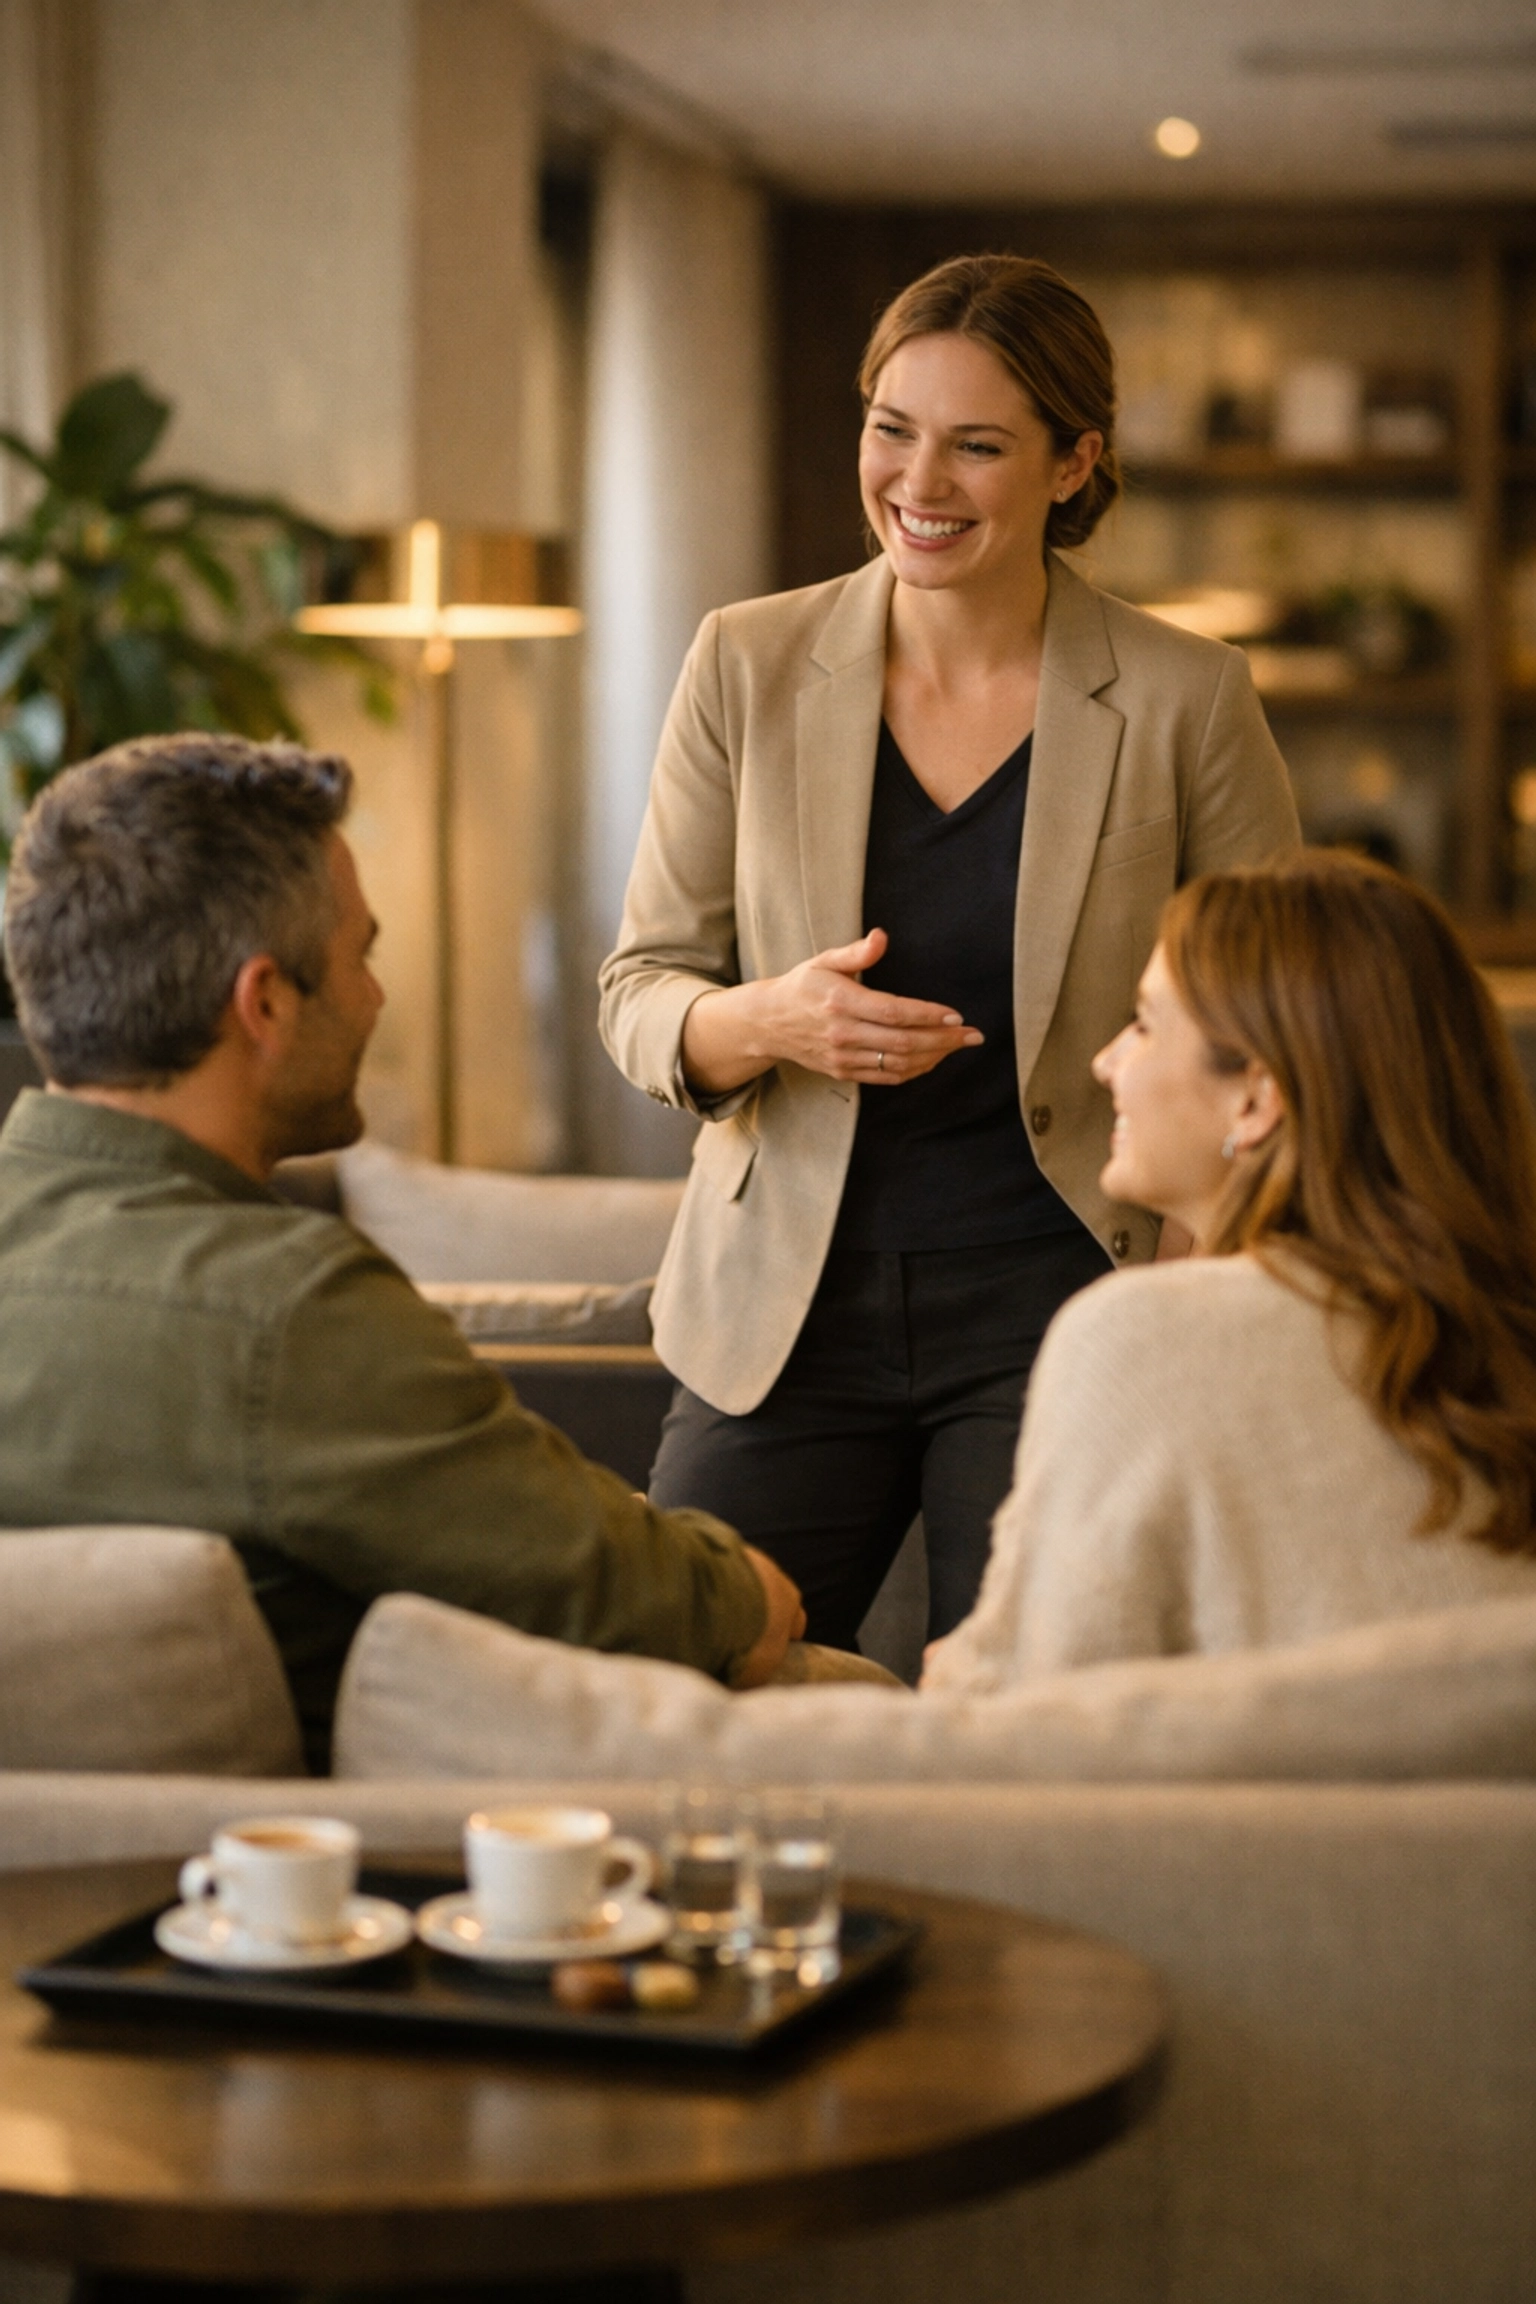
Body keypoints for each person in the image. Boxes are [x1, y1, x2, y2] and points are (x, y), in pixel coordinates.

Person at [600, 251, 1300, 1652]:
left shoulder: (1183, 696)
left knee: (1025, 1729)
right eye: (891, 429)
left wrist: (1186, 1257)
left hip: (1066, 1296)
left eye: (978, 445)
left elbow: (1288, 1010)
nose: (919, 482)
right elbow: (643, 989)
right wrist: (769, 1023)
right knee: (677, 1688)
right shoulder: (744, 661)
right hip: (783, 1304)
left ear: (1071, 463)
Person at [0, 734, 804, 1768]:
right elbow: (637, 1604)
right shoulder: (294, 1312)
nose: (375, 999)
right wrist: (744, 1585)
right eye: (360, 957)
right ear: (266, 1003)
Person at [923, 850, 1536, 1694]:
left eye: (1142, 1023)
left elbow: (1025, 1711)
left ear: (1255, 1101)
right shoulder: (1506, 1318)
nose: (1106, 1062)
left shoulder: (1138, 1341)